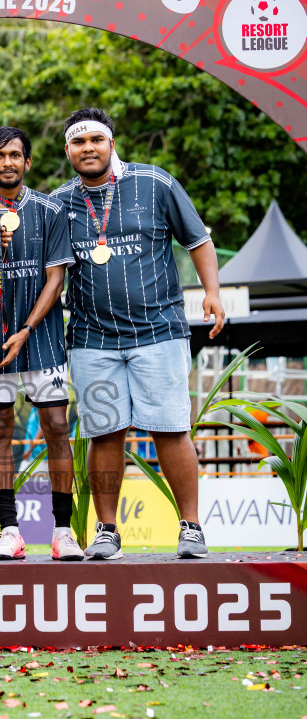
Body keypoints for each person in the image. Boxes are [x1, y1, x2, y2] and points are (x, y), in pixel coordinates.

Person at [52, 107, 225, 560]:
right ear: (68, 150)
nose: (88, 148)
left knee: (170, 429)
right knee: (105, 433)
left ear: (112, 143)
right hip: (92, 338)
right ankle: (107, 532)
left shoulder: (156, 183)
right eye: (78, 142)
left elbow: (198, 240)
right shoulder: (60, 202)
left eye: (96, 140)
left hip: (158, 331)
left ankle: (191, 528)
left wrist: (213, 293)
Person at [0, 126, 81, 561]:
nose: (8, 162)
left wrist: (26, 327)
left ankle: (63, 531)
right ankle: (9, 531)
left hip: (41, 339)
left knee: (57, 430)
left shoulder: (50, 210)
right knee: (0, 431)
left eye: (15, 155)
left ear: (27, 162)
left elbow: (56, 278)